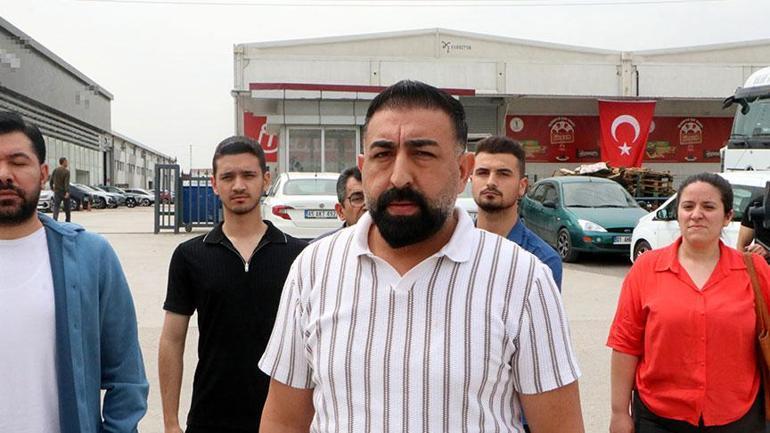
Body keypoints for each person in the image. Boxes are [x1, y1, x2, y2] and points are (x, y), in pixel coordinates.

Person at [258, 80, 584, 433]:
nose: (399, 177)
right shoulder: (314, 269)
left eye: (423, 154)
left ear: (463, 170)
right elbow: (284, 421)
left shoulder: (522, 278)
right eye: (383, 155)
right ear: (363, 166)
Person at [0, 110, 148, 432]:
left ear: (43, 174)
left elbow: (127, 377)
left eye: (18, 162)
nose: (4, 174)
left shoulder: (90, 256)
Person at [158, 136, 307, 433]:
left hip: (284, 420)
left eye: (248, 175)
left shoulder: (299, 255)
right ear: (214, 184)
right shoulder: (190, 256)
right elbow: (172, 340)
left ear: (266, 180)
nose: (238, 185)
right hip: (210, 418)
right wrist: (170, 422)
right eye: (228, 177)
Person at [608, 172, 768, 433]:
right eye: (688, 206)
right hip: (659, 417)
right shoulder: (646, 268)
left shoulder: (754, 270)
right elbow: (626, 344)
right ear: (678, 214)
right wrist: (619, 413)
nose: (696, 214)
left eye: (709, 207)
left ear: (727, 217)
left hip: (739, 416)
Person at [472, 135, 563, 289]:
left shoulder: (542, 260)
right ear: (471, 178)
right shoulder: (450, 247)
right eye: (483, 173)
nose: (491, 182)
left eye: (503, 174)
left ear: (522, 186)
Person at [313, 166, 366, 242]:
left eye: (373, 197)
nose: (368, 205)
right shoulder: (322, 247)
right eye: (357, 199)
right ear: (340, 211)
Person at [50, 156, 70, 222]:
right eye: (66, 162)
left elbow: (51, 180)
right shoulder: (66, 172)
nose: (67, 163)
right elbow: (66, 183)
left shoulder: (55, 170)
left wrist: (51, 187)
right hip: (64, 192)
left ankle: (54, 220)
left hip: (57, 192)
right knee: (67, 207)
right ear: (63, 162)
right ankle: (67, 220)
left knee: (56, 206)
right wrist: (67, 192)